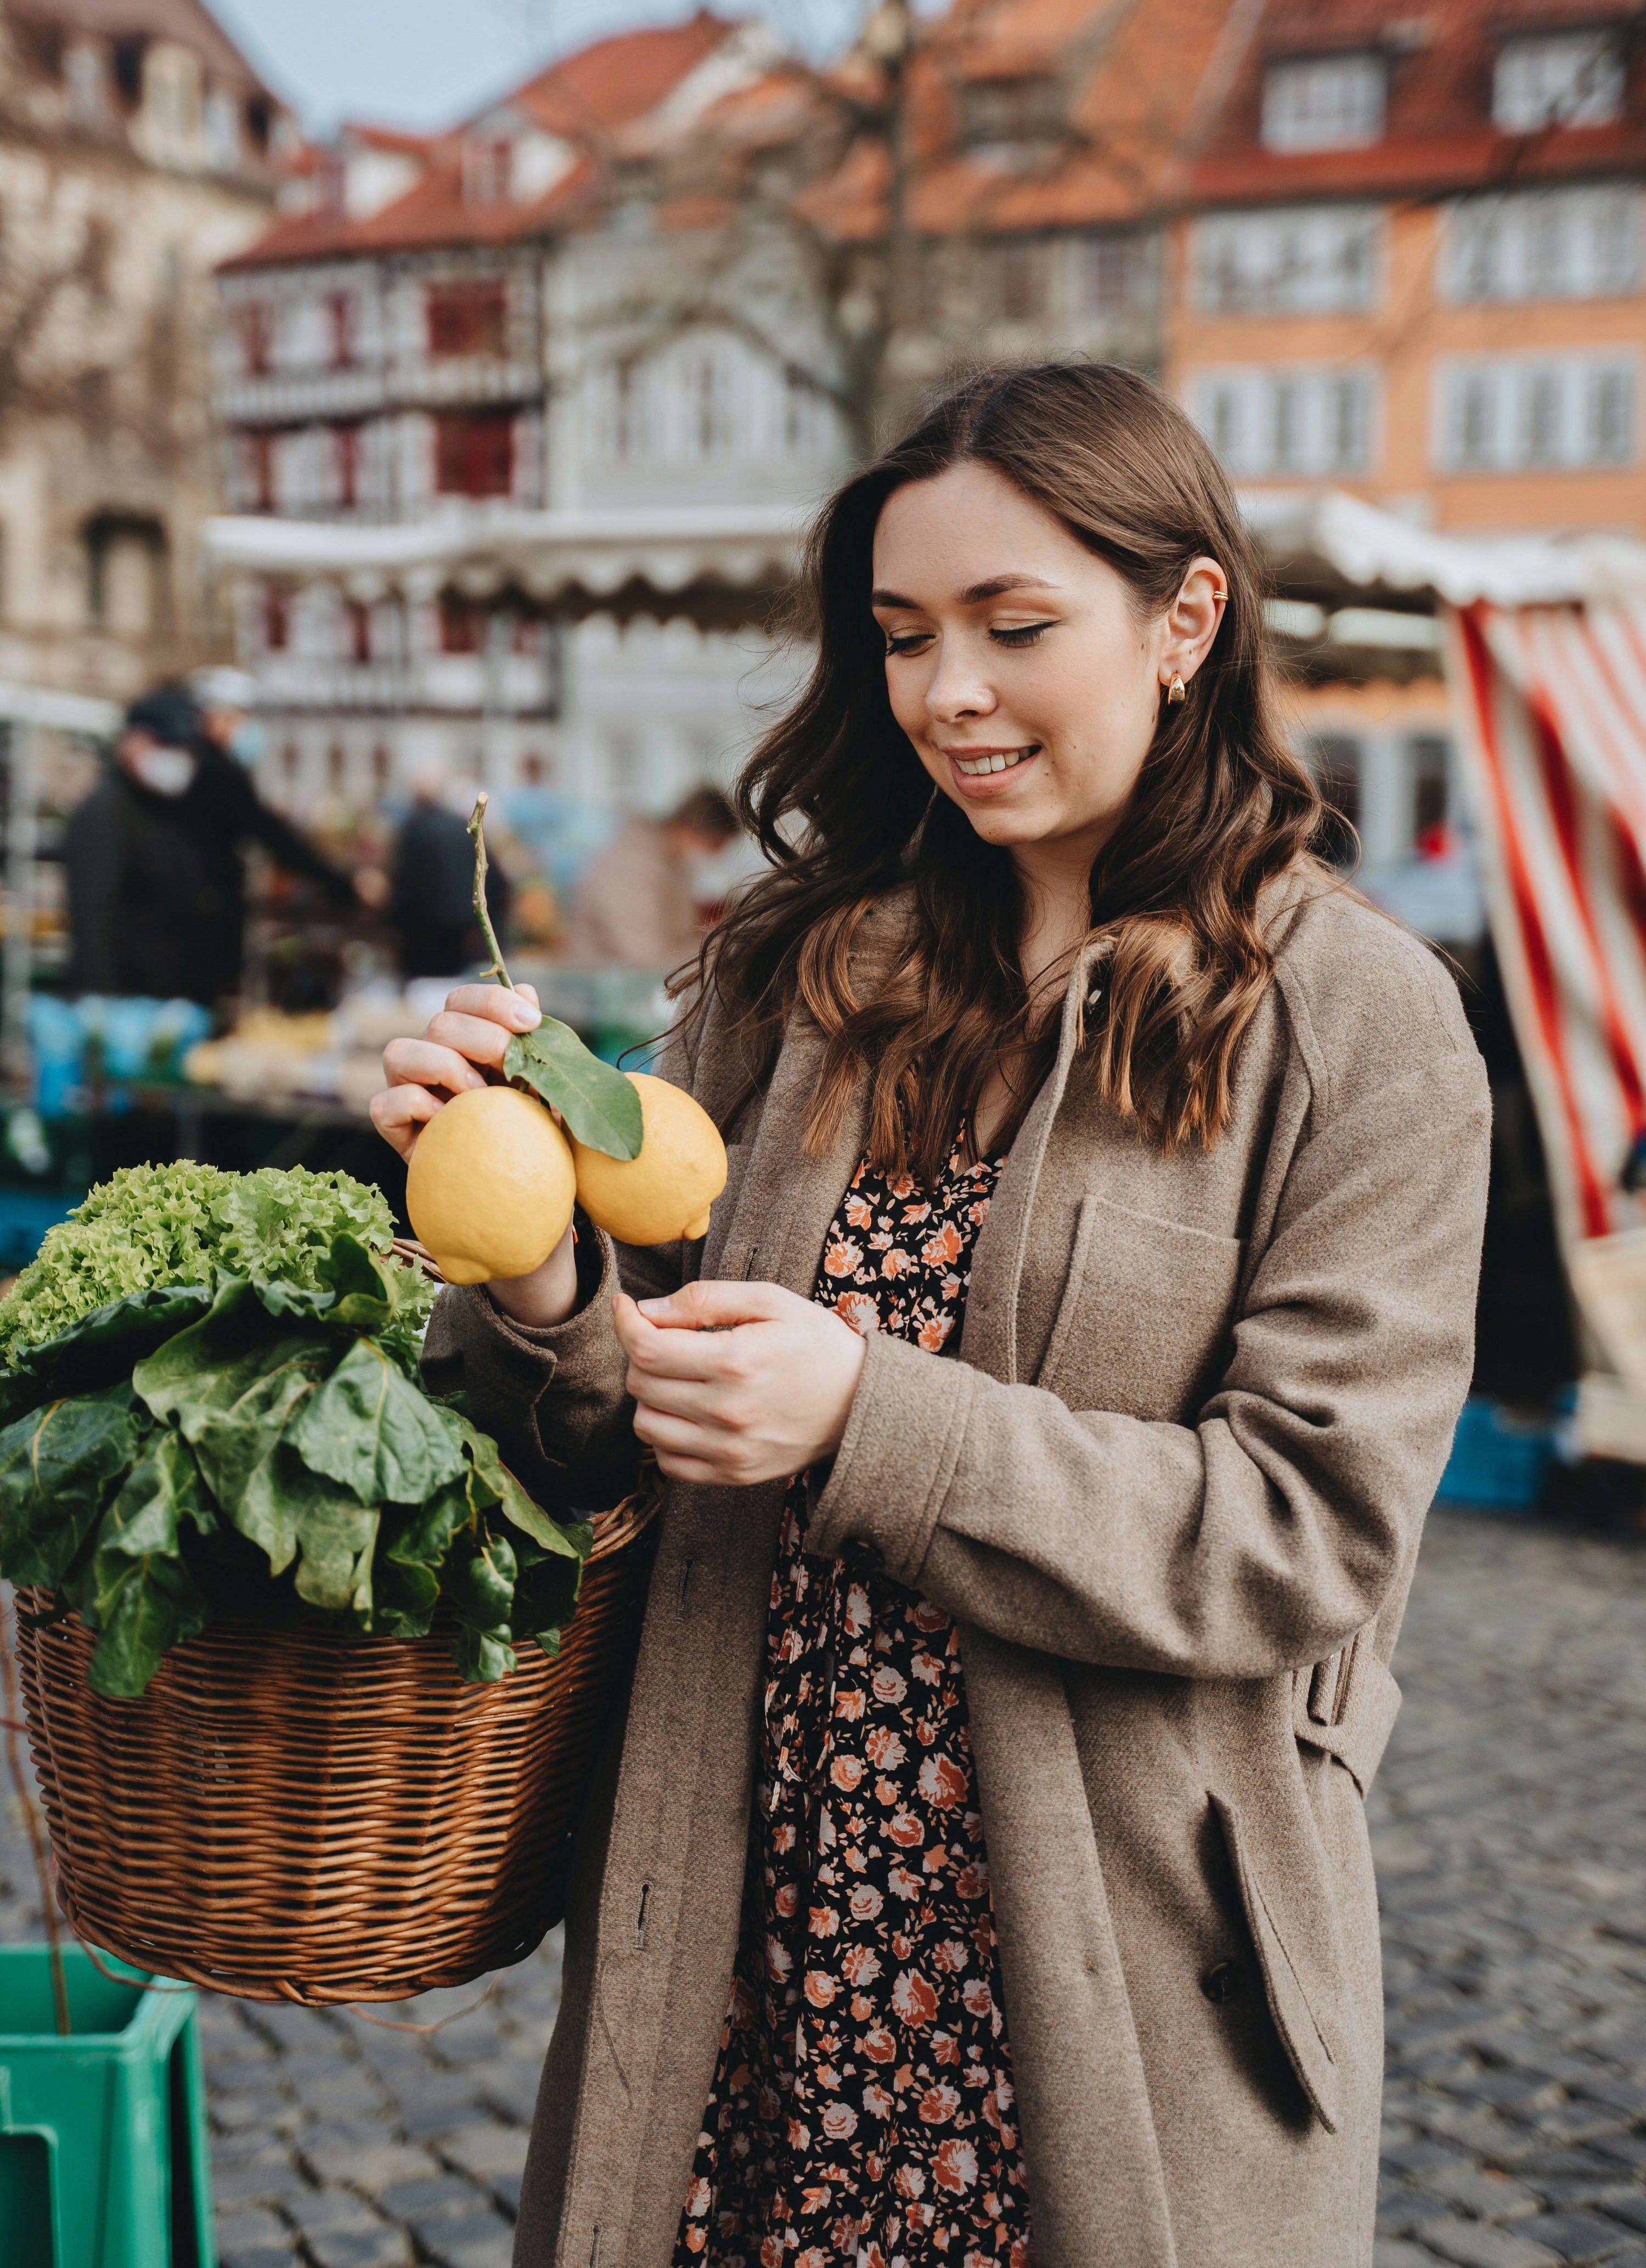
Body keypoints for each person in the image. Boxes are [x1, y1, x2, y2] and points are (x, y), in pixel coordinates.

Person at [373, 365, 1490, 2268]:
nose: (946, 693)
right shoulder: (794, 970)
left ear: (1186, 619)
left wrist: (862, 1421)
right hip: (752, 1937)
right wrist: (540, 1270)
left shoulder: (1358, 1019)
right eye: (902, 638)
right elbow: (596, 1440)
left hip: (1102, 1979)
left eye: (1013, 627)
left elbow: (1309, 1532)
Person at [65, 683, 360, 1007]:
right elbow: (95, 914)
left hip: (175, 988)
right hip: (139, 998)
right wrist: (102, 1003)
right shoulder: (108, 812)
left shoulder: (163, 804)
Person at [564, 784, 739, 969]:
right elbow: (648, 958)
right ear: (689, 829)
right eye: (715, 845)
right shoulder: (634, 862)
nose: (716, 855)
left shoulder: (667, 860)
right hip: (610, 987)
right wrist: (725, 945)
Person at [387, 773, 509, 985]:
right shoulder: (462, 826)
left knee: (426, 988)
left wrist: (394, 922)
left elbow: (406, 883)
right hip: (466, 929)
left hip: (425, 933)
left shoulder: (414, 829)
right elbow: (495, 877)